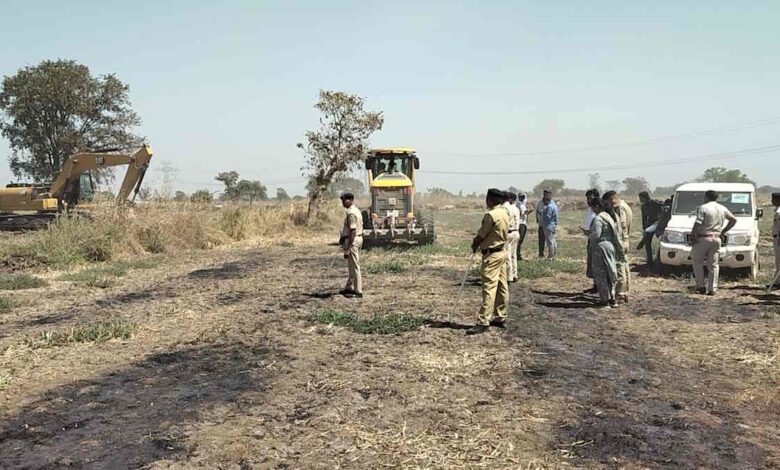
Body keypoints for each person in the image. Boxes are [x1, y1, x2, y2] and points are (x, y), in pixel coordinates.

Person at [467, 188, 510, 335]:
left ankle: (483, 321)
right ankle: (500, 316)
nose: (486, 201)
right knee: (502, 286)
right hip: (502, 253)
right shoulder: (505, 212)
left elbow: (482, 234)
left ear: (492, 200)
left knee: (489, 288)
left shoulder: (490, 215)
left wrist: (475, 243)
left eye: (487, 198)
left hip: (491, 255)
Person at [690, 190, 737, 296]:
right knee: (714, 265)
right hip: (716, 238)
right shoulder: (722, 208)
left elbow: (698, 223)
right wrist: (723, 231)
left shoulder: (703, 207)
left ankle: (700, 286)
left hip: (703, 238)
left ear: (706, 197)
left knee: (697, 262)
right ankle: (712, 288)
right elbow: (733, 219)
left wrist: (693, 235)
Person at [588, 198, 624, 308]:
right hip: (610, 247)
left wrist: (589, 235)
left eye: (593, 208)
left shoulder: (599, 218)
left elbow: (597, 235)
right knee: (610, 273)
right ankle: (613, 299)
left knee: (601, 274)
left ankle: (605, 300)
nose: (593, 210)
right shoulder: (608, 216)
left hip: (601, 248)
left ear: (597, 206)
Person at [603, 191, 632, 304]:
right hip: (625, 240)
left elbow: (621, 226)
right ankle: (625, 291)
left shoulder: (619, 208)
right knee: (625, 266)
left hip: (621, 241)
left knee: (620, 268)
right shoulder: (626, 205)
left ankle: (620, 293)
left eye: (607, 203)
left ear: (611, 199)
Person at [338, 193, 364, 298]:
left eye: (346, 200)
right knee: (351, 265)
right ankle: (349, 287)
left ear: (351, 200)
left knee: (355, 266)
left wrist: (348, 248)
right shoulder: (355, 210)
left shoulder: (351, 213)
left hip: (353, 240)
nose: (344, 202)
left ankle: (358, 291)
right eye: (343, 200)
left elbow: (353, 231)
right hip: (356, 238)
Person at [581, 189, 600, 293]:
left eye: (590, 198)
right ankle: (595, 285)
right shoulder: (590, 211)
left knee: (597, 264)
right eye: (587, 198)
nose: (588, 200)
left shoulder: (599, 212)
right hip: (589, 240)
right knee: (592, 264)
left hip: (596, 241)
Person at [637, 191, 663, 266]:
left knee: (661, 241)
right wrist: (644, 228)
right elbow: (644, 218)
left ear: (645, 197)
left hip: (658, 223)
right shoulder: (643, 206)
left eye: (641, 198)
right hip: (650, 224)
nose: (640, 200)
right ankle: (649, 260)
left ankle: (660, 259)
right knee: (647, 242)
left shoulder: (655, 203)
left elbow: (664, 208)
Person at [504, 192, 521, 282]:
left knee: (507, 255)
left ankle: (509, 276)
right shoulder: (516, 209)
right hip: (516, 232)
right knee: (514, 255)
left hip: (509, 232)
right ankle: (515, 274)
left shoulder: (506, 208)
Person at [541, 189, 559, 259]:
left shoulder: (549, 207)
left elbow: (548, 217)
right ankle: (553, 254)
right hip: (553, 225)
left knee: (550, 242)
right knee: (553, 241)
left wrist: (543, 219)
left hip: (548, 226)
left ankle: (550, 256)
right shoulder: (555, 206)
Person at [771, 192, 780, 288]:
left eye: (773, 199)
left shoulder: (779, 212)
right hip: (776, 238)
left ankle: (777, 282)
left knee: (779, 261)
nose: (772, 201)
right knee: (777, 262)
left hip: (779, 238)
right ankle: (777, 281)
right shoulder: (776, 210)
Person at [515, 193, 528, 260]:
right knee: (519, 240)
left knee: (521, 239)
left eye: (523, 197)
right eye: (521, 197)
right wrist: (524, 213)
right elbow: (518, 215)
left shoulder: (523, 204)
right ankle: (517, 254)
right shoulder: (517, 205)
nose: (522, 198)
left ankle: (517, 253)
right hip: (520, 223)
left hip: (524, 223)